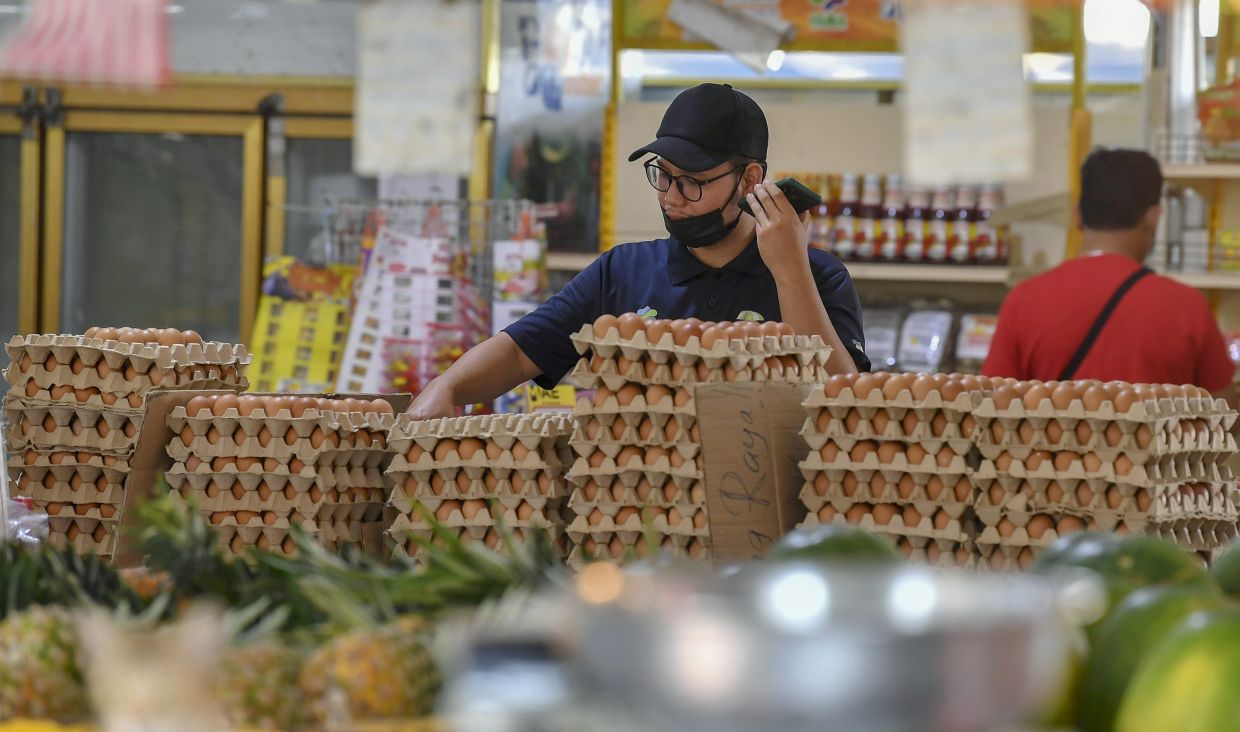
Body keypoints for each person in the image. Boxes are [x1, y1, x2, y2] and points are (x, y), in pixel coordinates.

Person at [409, 83, 869, 420]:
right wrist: (447, 386)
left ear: (749, 180)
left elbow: (845, 403)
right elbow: (519, 352)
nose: (670, 196)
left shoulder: (818, 276)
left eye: (691, 181)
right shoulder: (623, 271)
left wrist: (790, 271)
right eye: (662, 175)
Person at [983, 147, 1236, 400]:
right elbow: (1223, 407)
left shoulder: (1023, 301)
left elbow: (993, 401)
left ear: (1078, 216)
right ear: (1154, 217)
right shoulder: (1187, 307)